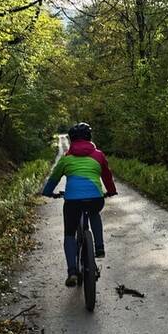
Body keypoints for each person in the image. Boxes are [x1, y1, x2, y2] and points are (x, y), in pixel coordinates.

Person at [42, 122, 117, 287]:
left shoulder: (66, 159)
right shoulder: (99, 155)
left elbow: (53, 179)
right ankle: (99, 247)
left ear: (71, 140)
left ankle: (72, 272)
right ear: (89, 138)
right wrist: (111, 191)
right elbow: (107, 176)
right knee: (94, 213)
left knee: (69, 233)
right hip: (95, 199)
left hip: (72, 202)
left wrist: (48, 192)